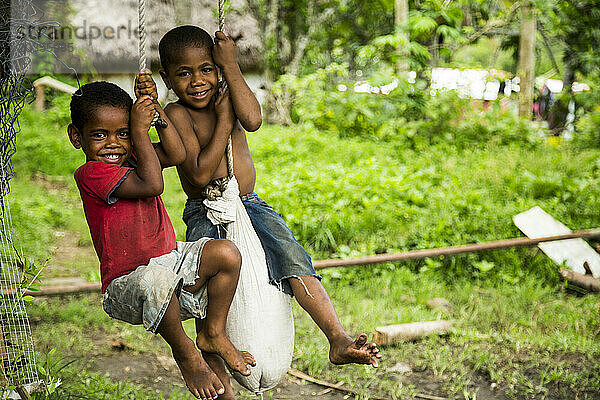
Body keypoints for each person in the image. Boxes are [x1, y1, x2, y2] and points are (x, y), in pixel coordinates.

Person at [158, 25, 381, 399]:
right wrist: (224, 121)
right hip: (206, 210)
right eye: (184, 73)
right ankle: (221, 389)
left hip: (249, 205)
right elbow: (197, 171)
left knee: (292, 257)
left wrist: (231, 67)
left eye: (207, 69)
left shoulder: (228, 93)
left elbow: (255, 119)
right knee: (208, 300)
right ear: (167, 77)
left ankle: (338, 339)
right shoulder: (176, 114)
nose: (198, 80)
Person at [67, 77, 255, 400]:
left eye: (123, 133)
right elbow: (153, 184)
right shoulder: (92, 174)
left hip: (171, 263)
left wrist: (156, 113)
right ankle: (186, 354)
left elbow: (176, 151)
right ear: (76, 137)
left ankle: (213, 332)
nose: (114, 144)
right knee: (156, 278)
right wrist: (139, 133)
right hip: (128, 283)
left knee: (226, 254)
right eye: (100, 135)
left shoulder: (136, 155)